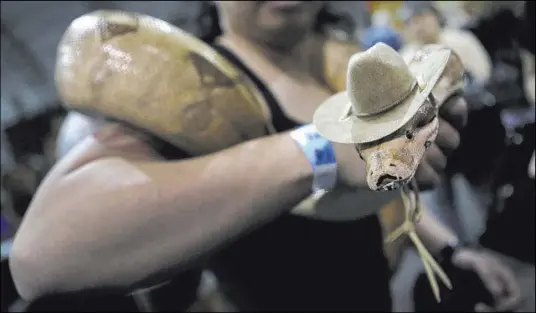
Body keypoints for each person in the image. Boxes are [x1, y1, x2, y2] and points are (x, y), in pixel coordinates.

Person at [9, 1, 522, 311]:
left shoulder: (345, 62)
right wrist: (316, 152)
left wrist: (451, 249)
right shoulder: (185, 85)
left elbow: (375, 194)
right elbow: (40, 259)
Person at [400, 2, 492, 84]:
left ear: (436, 17)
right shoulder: (406, 57)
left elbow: (484, 75)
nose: (418, 26)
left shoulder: (460, 41)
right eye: (412, 21)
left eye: (422, 17)